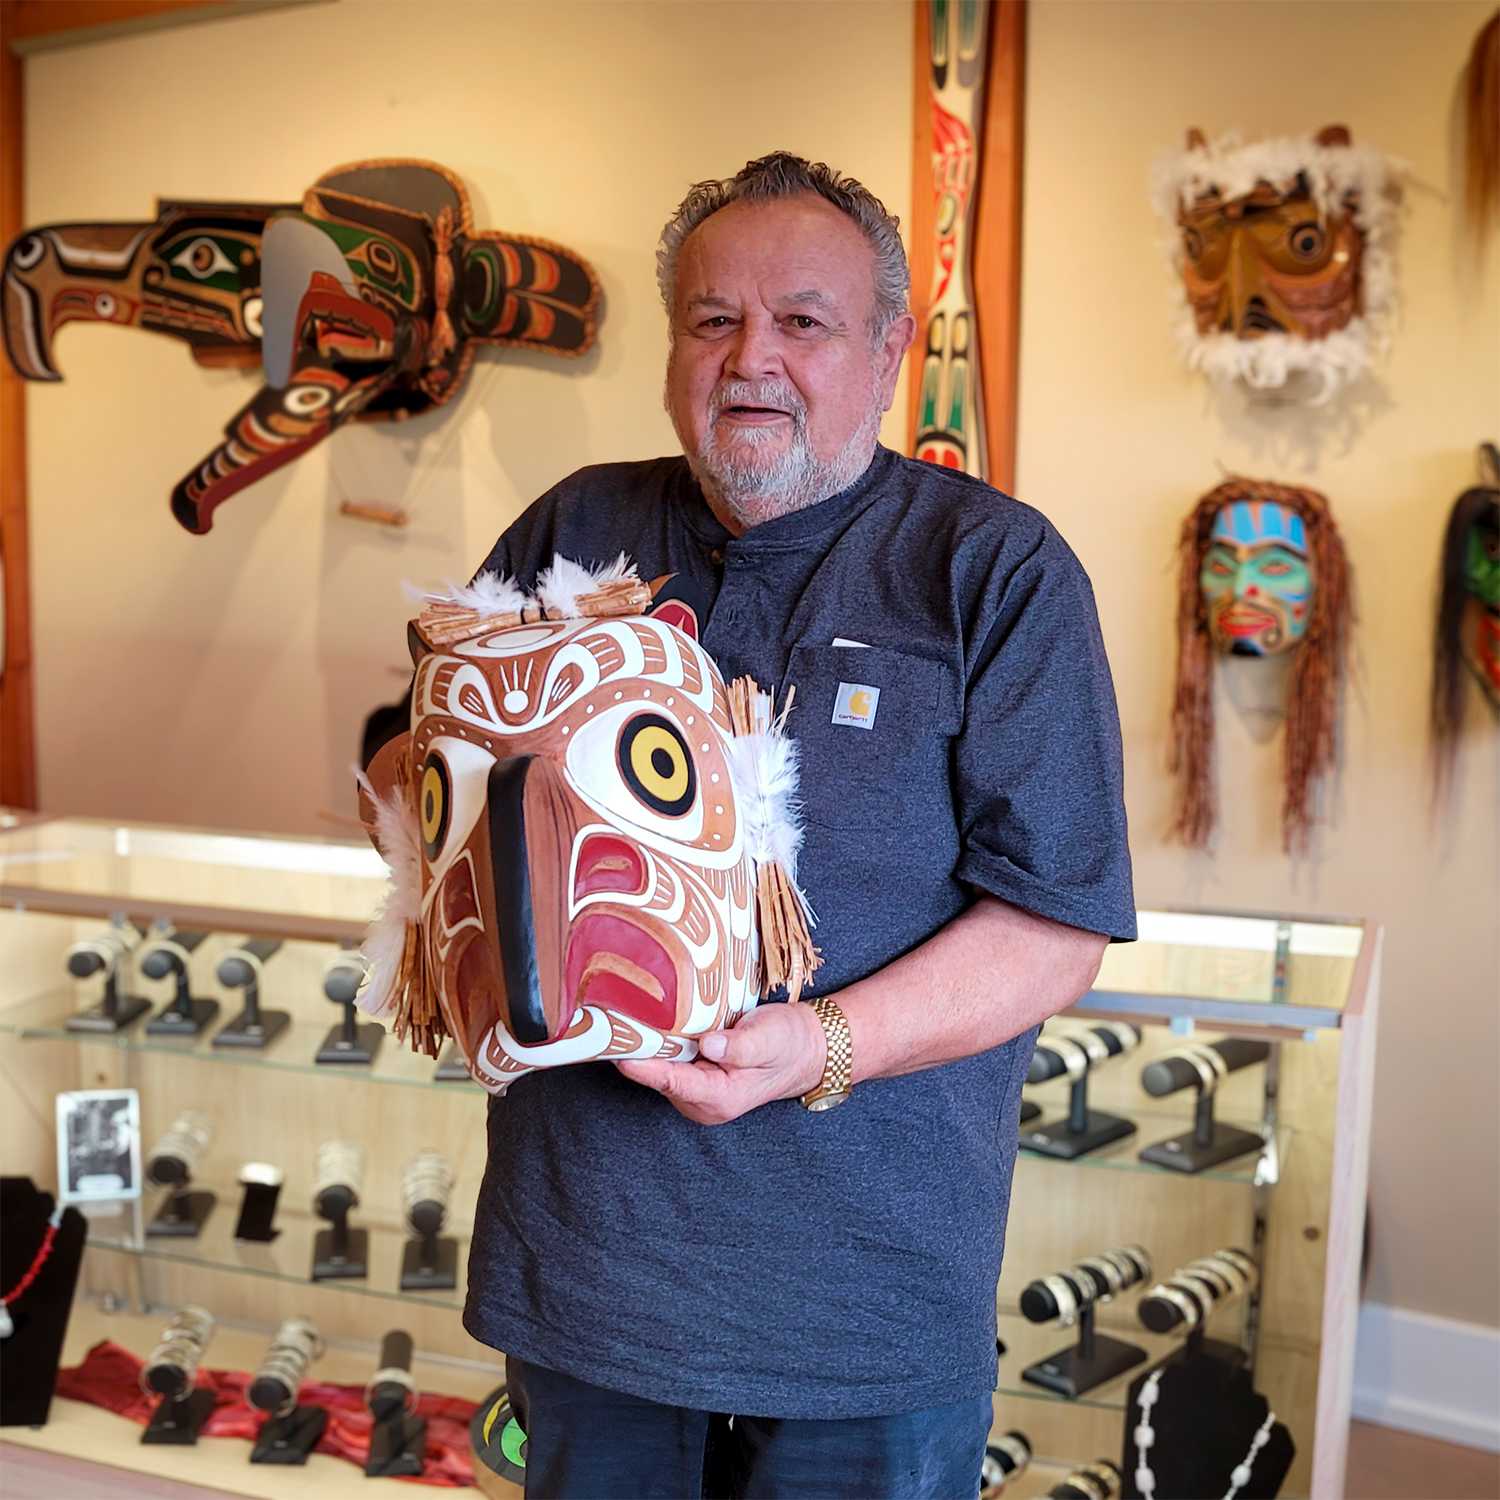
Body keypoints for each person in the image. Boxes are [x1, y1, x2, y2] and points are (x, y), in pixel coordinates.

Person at [456, 152, 1136, 1498]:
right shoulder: (574, 528)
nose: (750, 358)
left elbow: (1056, 926)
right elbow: (439, 799)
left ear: (887, 354)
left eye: (802, 322)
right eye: (713, 319)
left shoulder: (995, 568)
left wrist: (822, 1043)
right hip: (589, 1267)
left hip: (865, 1302)